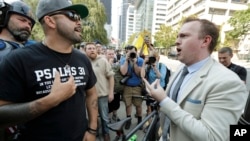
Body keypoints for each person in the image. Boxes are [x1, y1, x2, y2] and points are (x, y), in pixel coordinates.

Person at [0, 0, 99, 141]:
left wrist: (92, 130)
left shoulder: (82, 59)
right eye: (72, 15)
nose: (79, 22)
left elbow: (92, 95)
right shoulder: (19, 60)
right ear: (50, 21)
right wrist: (50, 100)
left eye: (79, 18)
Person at [143, 17, 248, 141]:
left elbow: (212, 136)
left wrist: (164, 100)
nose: (177, 41)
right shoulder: (182, 68)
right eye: (177, 36)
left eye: (184, 36)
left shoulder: (228, 83)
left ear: (205, 41)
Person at [0, 1, 36, 140]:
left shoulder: (35, 48)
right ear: (3, 18)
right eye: (22, 20)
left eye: (30, 24)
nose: (27, 26)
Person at [84, 42, 114, 141]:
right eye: (89, 48)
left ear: (96, 50)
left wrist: (111, 92)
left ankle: (106, 133)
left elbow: (111, 77)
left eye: (93, 48)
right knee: (91, 116)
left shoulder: (103, 61)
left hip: (102, 95)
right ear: (85, 50)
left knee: (104, 117)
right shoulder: (83, 62)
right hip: (88, 96)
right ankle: (94, 132)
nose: (92, 50)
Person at [120, 45, 144, 130]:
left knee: (138, 105)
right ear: (126, 52)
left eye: (133, 52)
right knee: (128, 104)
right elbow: (123, 72)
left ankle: (140, 120)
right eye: (129, 52)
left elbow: (139, 74)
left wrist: (134, 62)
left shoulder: (140, 60)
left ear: (136, 52)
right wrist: (126, 61)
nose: (131, 53)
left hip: (137, 86)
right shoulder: (123, 59)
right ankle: (128, 120)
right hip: (127, 86)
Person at [141, 50, 167, 115]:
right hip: (150, 90)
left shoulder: (162, 66)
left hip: (160, 90)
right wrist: (144, 63)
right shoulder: (148, 66)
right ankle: (151, 122)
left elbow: (161, 77)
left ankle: (159, 122)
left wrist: (155, 68)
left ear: (158, 58)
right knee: (150, 109)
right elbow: (142, 76)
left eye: (154, 57)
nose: (152, 59)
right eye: (150, 57)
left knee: (159, 108)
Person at [106, 48, 122, 122]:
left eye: (112, 54)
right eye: (109, 54)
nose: (111, 55)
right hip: (106, 89)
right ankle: (108, 118)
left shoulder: (117, 64)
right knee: (108, 105)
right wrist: (109, 64)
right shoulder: (104, 63)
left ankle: (115, 115)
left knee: (116, 104)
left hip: (116, 88)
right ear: (106, 55)